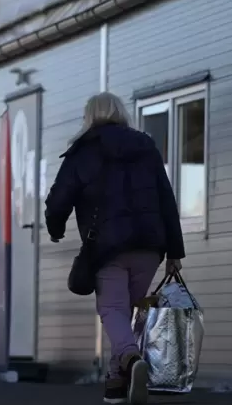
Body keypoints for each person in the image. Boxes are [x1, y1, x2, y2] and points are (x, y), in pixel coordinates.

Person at [44, 92, 185, 405]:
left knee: (112, 311)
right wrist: (175, 251)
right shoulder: (145, 145)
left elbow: (58, 200)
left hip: (108, 246)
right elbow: (166, 198)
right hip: (149, 244)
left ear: (89, 116)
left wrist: (55, 229)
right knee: (129, 315)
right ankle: (115, 386)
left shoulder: (82, 151)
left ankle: (132, 362)